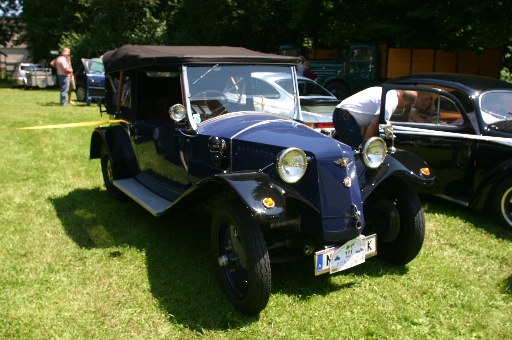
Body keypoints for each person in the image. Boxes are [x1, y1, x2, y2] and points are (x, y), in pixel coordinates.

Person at [333, 87, 417, 148]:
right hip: (345, 117)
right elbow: (375, 124)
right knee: (356, 151)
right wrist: (366, 147)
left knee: (352, 149)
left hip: (344, 115)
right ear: (406, 103)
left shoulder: (386, 92)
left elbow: (369, 123)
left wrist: (364, 142)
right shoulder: (392, 101)